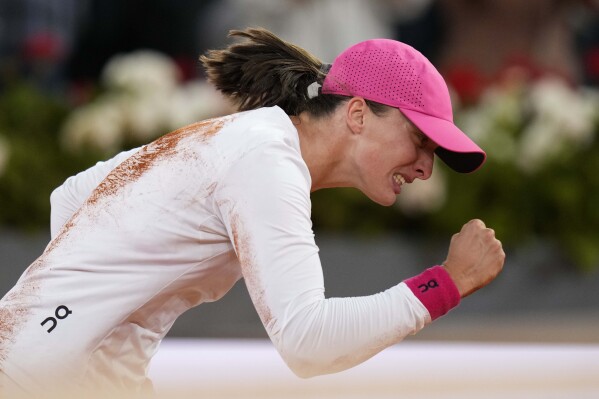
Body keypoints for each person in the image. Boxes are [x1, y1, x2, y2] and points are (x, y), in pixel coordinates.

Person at [0, 28, 504, 397]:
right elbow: (309, 344)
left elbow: (70, 195)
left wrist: (99, 351)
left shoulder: (253, 141)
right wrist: (446, 283)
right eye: (419, 140)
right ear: (356, 114)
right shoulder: (266, 160)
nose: (424, 168)